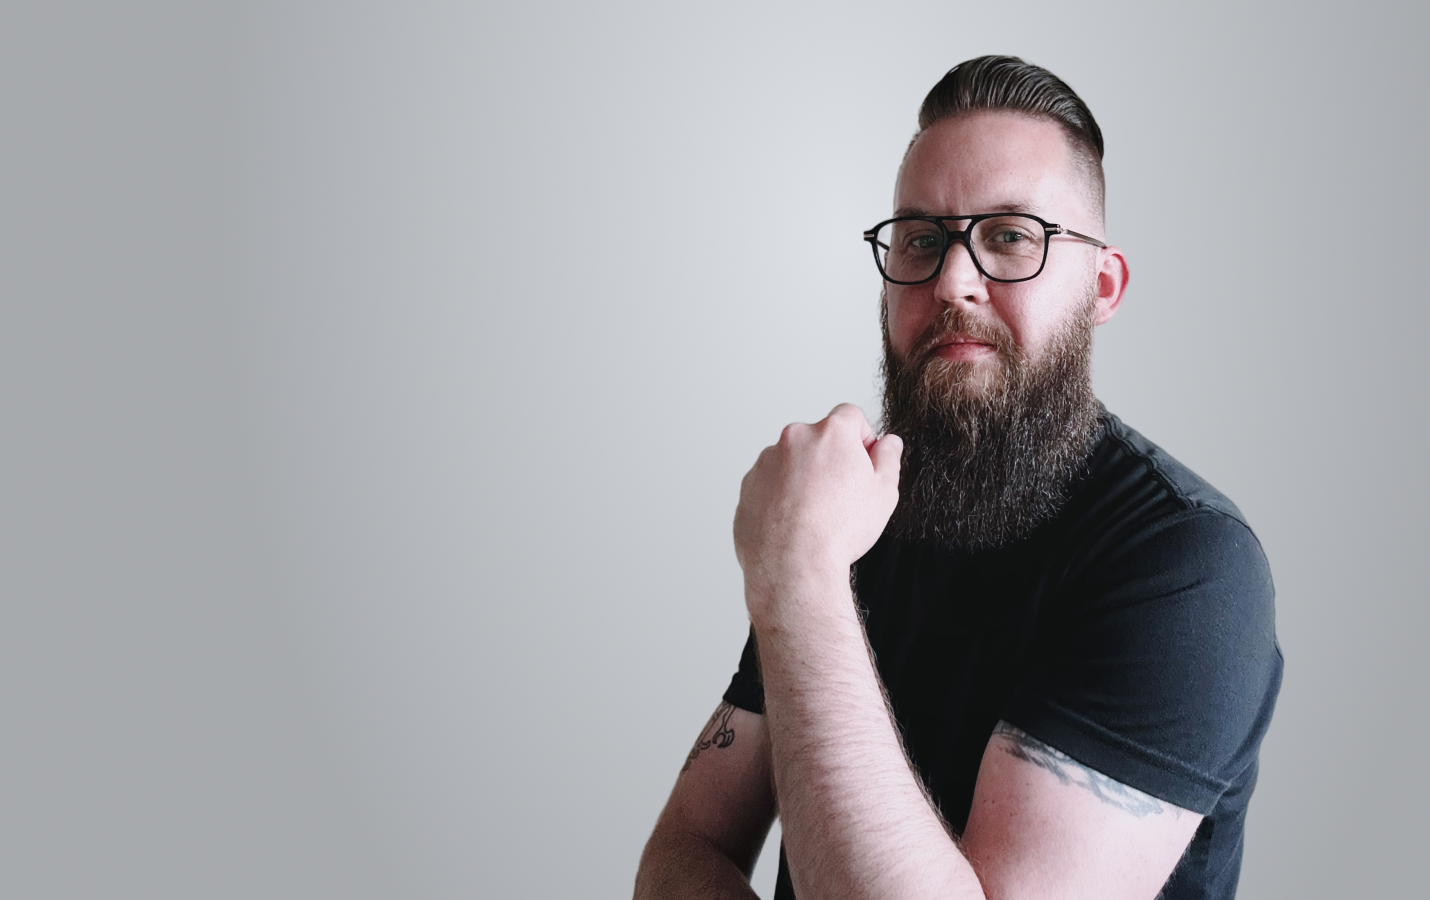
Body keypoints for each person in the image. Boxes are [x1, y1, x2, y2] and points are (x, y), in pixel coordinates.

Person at [633, 56, 1282, 900]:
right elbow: (683, 851)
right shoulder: (849, 512)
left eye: (1011, 236)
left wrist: (796, 578)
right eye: (921, 240)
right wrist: (811, 565)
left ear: (1102, 286)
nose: (952, 281)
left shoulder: (1186, 569)